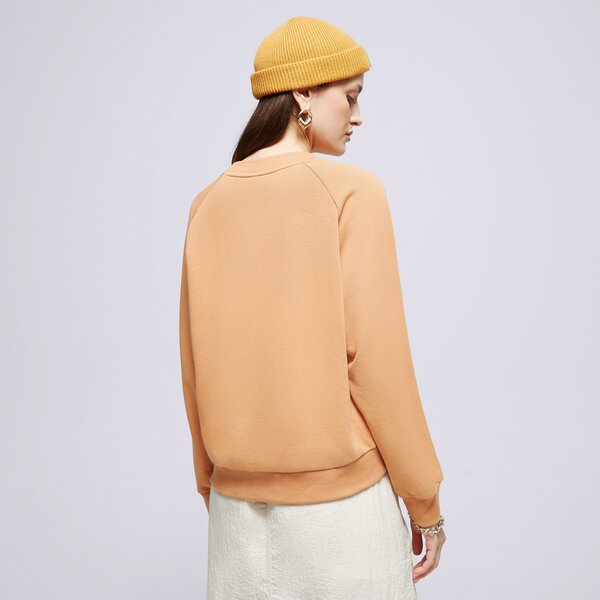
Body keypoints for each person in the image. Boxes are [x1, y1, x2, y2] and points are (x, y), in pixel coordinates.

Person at [179, 15, 446, 599]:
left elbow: (195, 368)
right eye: (349, 96)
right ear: (302, 93)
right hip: (340, 518)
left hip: (234, 518)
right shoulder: (352, 191)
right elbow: (378, 363)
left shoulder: (207, 202)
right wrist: (424, 501)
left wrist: (212, 486)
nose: (358, 116)